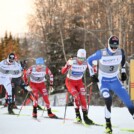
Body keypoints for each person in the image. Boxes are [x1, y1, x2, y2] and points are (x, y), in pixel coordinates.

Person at [87, 35, 134, 133]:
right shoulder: (101, 53)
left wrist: (123, 71)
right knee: (108, 99)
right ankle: (108, 125)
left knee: (128, 101)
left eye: (115, 47)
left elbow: (123, 58)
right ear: (108, 44)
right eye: (112, 46)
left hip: (115, 80)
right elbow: (89, 60)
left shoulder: (120, 52)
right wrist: (92, 74)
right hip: (103, 81)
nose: (113, 48)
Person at [61, 49, 94, 125]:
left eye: (83, 59)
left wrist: (93, 74)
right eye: (79, 58)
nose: (81, 61)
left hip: (79, 82)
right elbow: (62, 71)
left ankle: (85, 117)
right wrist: (68, 65)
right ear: (77, 57)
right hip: (70, 81)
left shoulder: (86, 62)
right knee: (76, 96)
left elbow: (93, 70)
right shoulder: (72, 61)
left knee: (83, 98)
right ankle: (78, 116)